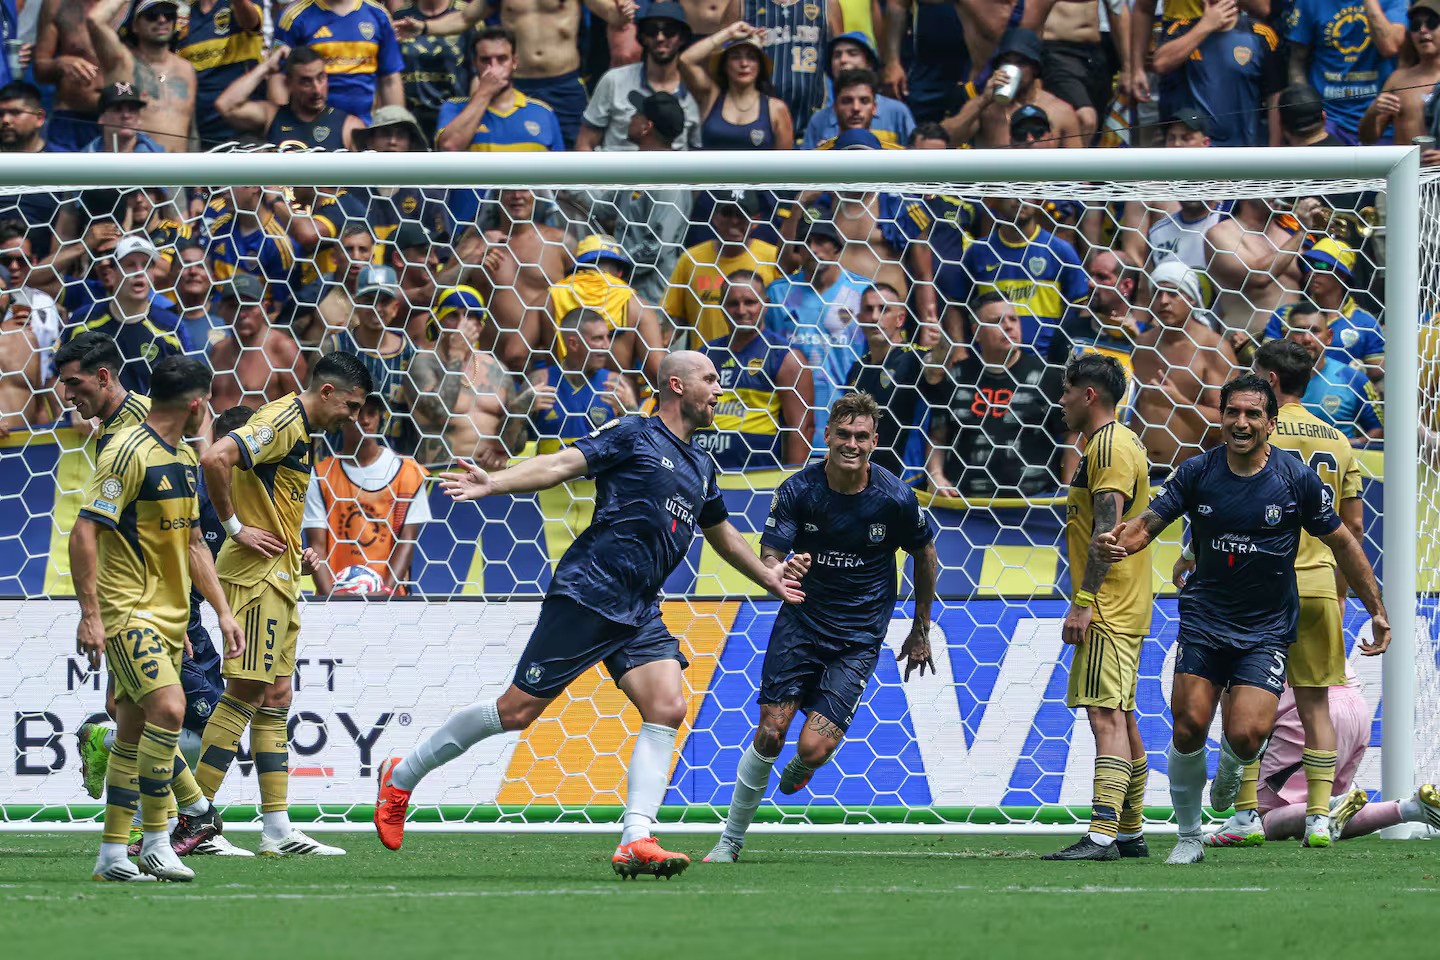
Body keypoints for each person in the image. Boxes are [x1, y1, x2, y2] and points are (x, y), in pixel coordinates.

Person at [373, 351, 805, 879]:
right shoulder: (633, 434)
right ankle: (402, 775)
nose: (720, 390)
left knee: (667, 706)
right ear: (676, 385)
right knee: (515, 712)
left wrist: (769, 577)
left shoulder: (701, 464)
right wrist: (495, 481)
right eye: (710, 380)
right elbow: (560, 464)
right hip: (589, 593)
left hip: (639, 607)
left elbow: (723, 534)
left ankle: (636, 838)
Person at [1099, 372, 1390, 865]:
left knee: (1247, 734)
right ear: (1220, 417)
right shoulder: (1197, 472)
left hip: (1266, 629)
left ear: (1270, 424)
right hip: (1206, 619)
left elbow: (1344, 540)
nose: (1241, 422)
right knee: (1188, 726)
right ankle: (1189, 836)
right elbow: (1149, 524)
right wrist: (1117, 544)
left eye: (1253, 414)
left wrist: (1377, 611)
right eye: (1232, 412)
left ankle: (1237, 766)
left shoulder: (1295, 479)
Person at [703, 391, 938, 863]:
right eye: (843, 434)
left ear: (875, 441)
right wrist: (782, 570)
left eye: (862, 436)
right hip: (802, 624)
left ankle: (806, 766)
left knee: (811, 749)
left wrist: (920, 630)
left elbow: (926, 557)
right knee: (770, 733)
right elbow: (770, 554)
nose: (851, 443)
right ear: (826, 435)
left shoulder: (894, 497)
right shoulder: (797, 490)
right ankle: (729, 842)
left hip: (857, 638)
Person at [190, 351, 373, 856]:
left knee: (276, 698)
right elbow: (214, 458)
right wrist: (234, 527)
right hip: (254, 578)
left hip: (282, 578)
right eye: (351, 407)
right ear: (328, 391)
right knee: (245, 692)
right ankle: (193, 819)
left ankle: (275, 827)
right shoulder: (282, 419)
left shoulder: (304, 432)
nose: (352, 418)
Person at [71, 355, 245, 882]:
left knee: (131, 732)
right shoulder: (125, 452)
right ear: (196, 405)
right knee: (170, 710)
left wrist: (220, 612)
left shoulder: (186, 460)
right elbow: (83, 533)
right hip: (128, 611)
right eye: (207, 406)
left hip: (171, 618)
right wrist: (91, 616)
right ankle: (156, 841)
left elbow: (193, 545)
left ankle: (112, 858)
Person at [1188, 339, 1365, 847]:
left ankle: (1244, 815)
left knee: (1238, 695)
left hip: (1258, 586)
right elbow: (1350, 526)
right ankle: (1317, 816)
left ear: (1268, 383)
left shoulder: (1258, 430)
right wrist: (1342, 593)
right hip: (1319, 584)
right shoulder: (1339, 440)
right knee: (1315, 704)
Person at [1043, 354, 1153, 861]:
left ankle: (1103, 834)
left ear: (1089, 395)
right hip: (1127, 599)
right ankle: (1129, 832)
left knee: (1104, 716)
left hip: (1107, 603)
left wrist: (1084, 602)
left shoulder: (1107, 447)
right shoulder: (1121, 441)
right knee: (1123, 717)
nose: (1060, 400)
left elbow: (1107, 535)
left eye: (1066, 390)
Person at [1208, 675, 1440, 843]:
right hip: (1355, 707)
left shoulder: (1247, 625)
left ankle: (1329, 807)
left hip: (1307, 714)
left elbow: (1239, 721)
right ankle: (1411, 809)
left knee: (1261, 817)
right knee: (1319, 822)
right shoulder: (1322, 609)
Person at [398, 0, 637, 149]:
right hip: (515, 85)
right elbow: (465, 18)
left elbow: (613, 14)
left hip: (564, 84)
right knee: (510, 152)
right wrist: (425, 27)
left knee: (572, 158)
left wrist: (624, 11)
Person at [925, 291, 1062, 499]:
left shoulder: (1047, 377)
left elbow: (1072, 440)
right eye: (997, 321)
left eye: (1013, 319)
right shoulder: (957, 376)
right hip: (965, 505)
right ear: (976, 332)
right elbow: (938, 437)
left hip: (1032, 506)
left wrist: (1069, 495)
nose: (1008, 326)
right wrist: (935, 475)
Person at [304, 393, 430, 596]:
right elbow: (316, 545)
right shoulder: (320, 476)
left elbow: (407, 540)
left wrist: (386, 592)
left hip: (391, 599)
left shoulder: (408, 473)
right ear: (343, 417)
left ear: (381, 417)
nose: (365, 420)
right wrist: (330, 599)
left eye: (372, 413)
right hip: (336, 596)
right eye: (359, 412)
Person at [764, 219, 869, 445]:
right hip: (791, 427)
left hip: (849, 429)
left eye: (821, 241)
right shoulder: (778, 294)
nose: (813, 248)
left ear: (837, 248)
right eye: (806, 242)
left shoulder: (863, 293)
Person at [942, 196, 1089, 357]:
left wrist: (1065, 352)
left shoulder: (1060, 250)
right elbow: (955, 305)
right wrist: (958, 348)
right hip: (989, 360)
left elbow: (1082, 306)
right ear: (996, 200)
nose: (1020, 199)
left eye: (1026, 190)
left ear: (1037, 200)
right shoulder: (978, 252)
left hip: (1045, 359)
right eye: (1013, 191)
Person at [699, 270, 814, 469]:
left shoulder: (786, 357)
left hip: (757, 476)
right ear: (722, 306)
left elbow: (801, 428)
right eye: (733, 303)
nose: (741, 310)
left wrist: (793, 484)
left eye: (750, 302)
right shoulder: (705, 354)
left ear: (766, 304)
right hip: (702, 470)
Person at [1131, 261, 1238, 471]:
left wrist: (1177, 402)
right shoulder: (1142, 345)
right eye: (1157, 294)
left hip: (1190, 475)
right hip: (1139, 471)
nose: (1163, 301)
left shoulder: (1213, 348)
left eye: (1173, 294)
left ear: (1191, 298)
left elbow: (1228, 423)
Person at [447, 189, 570, 370]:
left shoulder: (560, 243)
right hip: (494, 371)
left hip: (550, 369)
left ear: (537, 194)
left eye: (524, 189)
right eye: (509, 190)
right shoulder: (476, 245)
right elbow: (434, 293)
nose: (517, 196)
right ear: (497, 196)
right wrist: (473, 259)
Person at [62, 234, 192, 395]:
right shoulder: (83, 321)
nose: (139, 272)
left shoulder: (170, 326)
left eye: (146, 265)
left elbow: (192, 386)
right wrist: (73, 410)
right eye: (130, 265)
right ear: (112, 273)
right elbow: (57, 378)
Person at [1152, 4, 1282, 148]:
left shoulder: (1260, 34)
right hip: (1196, 150)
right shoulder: (1182, 29)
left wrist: (1274, 147)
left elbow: (1274, 96)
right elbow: (1160, 64)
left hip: (1243, 149)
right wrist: (1206, 25)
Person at [664, 190, 784, 346]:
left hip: (756, 364)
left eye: (741, 215)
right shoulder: (691, 260)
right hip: (705, 364)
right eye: (727, 213)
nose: (734, 221)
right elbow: (675, 317)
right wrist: (660, 348)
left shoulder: (772, 258)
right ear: (715, 217)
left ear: (756, 220)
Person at [577, 3, 702, 151]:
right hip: (613, 172)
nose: (660, 37)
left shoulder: (694, 88)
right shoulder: (614, 80)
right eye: (651, 30)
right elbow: (585, 143)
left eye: (669, 31)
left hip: (670, 173)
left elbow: (696, 152)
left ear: (682, 38)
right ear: (642, 36)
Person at [546, 234, 665, 386]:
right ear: (620, 273)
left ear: (578, 267)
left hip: (560, 400)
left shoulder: (552, 296)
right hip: (617, 402)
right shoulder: (637, 305)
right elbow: (657, 371)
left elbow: (515, 354)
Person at [1288, 0, 1408, 144]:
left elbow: (1389, 46)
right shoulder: (1310, 3)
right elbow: (1297, 61)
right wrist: (1307, 109)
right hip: (1328, 119)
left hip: (1381, 116)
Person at [1265, 238, 1384, 383]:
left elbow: (1376, 371)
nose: (1313, 272)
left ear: (1342, 275)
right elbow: (1265, 360)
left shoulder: (1365, 322)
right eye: (1310, 265)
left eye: (1321, 266)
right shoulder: (1285, 314)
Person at [942, 28, 1083, 149]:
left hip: (1043, 180)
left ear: (1034, 68)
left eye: (1021, 62)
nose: (1013, 68)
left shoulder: (1060, 111)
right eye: (1006, 61)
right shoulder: (985, 109)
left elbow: (1081, 173)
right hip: (996, 180)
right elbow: (947, 140)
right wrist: (982, 100)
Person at [86, 0, 196, 153]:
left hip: (179, 171)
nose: (162, 20)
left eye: (169, 14)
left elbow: (190, 129)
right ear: (135, 25)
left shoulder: (187, 69)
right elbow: (94, 20)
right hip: (138, 170)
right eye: (152, 15)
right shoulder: (122, 62)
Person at [435, 27, 565, 153]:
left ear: (514, 62)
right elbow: (449, 146)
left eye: (502, 59)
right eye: (485, 60)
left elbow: (560, 170)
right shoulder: (454, 108)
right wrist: (484, 93)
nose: (493, 68)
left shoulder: (542, 112)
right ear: (475, 63)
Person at [526, 307, 638, 453]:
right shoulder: (541, 381)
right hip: (551, 474)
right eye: (598, 338)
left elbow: (638, 447)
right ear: (573, 344)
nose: (607, 345)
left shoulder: (617, 384)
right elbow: (511, 447)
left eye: (608, 337)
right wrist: (518, 411)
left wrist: (631, 411)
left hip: (598, 476)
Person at [846, 282, 927, 480]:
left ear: (900, 318)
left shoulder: (916, 359)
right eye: (868, 310)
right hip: (864, 479)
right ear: (860, 319)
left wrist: (940, 347)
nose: (875, 317)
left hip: (908, 480)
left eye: (883, 309)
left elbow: (936, 369)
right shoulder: (857, 368)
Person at [274, 0, 405, 123]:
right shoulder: (293, 17)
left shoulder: (378, 14)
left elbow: (390, 79)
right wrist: (283, 128)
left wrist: (398, 125)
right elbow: (278, 78)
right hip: (310, 128)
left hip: (366, 126)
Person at [216, 44, 363, 152]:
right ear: (289, 83)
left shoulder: (350, 126)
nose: (317, 90)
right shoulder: (272, 116)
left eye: (320, 78)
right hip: (281, 194)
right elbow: (226, 105)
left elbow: (363, 189)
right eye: (306, 82)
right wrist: (266, 67)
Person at [1279, 303, 1384, 443]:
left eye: (1314, 330)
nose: (1307, 339)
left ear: (1329, 336)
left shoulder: (1352, 379)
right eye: (1299, 331)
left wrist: (1345, 446)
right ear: (1286, 335)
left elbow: (1379, 430)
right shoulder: (1272, 378)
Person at [681, 22, 795, 149]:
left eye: (751, 57)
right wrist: (728, 33)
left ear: (760, 65)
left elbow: (785, 165)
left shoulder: (776, 109)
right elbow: (686, 60)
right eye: (735, 57)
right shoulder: (711, 97)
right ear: (724, 64)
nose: (744, 63)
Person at [742, 0, 844, 136]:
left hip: (812, 126)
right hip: (755, 125)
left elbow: (842, 63)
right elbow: (724, 56)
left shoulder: (827, 4)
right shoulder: (743, 4)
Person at [209, 274, 307, 413]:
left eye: (248, 306)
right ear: (221, 309)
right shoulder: (218, 350)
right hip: (215, 433)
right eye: (234, 306)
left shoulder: (282, 349)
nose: (242, 314)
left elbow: (300, 412)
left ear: (265, 308)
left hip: (260, 434)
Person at [174, 0, 264, 149]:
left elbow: (251, 22)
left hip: (245, 129)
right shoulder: (183, 15)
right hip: (203, 132)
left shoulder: (238, 4)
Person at [802, 31, 914, 148]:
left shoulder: (897, 111)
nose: (843, 60)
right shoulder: (818, 119)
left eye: (852, 53)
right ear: (836, 107)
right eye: (837, 55)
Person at [53, 331, 150, 455]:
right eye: (65, 384)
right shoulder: (106, 425)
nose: (68, 396)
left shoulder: (146, 417)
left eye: (75, 382)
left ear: (102, 377)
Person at [394, 0, 476, 142]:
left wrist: (473, 116)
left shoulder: (466, 16)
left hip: (454, 115)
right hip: (411, 117)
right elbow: (389, 74)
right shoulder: (400, 17)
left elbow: (477, 74)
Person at [1359, 0, 1440, 145]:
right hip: (1407, 167)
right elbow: (1368, 139)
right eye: (1415, 25)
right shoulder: (1398, 80)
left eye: (1432, 23)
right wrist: (1372, 112)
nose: (1422, 30)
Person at [33, 0, 108, 153]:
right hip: (70, 121)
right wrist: (60, 63)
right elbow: (40, 68)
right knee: (64, 176)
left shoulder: (132, 6)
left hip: (123, 118)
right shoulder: (56, 4)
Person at [81, 80, 166, 153]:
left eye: (132, 109)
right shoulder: (83, 161)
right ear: (102, 118)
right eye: (117, 109)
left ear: (139, 119)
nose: (126, 115)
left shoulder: (161, 158)